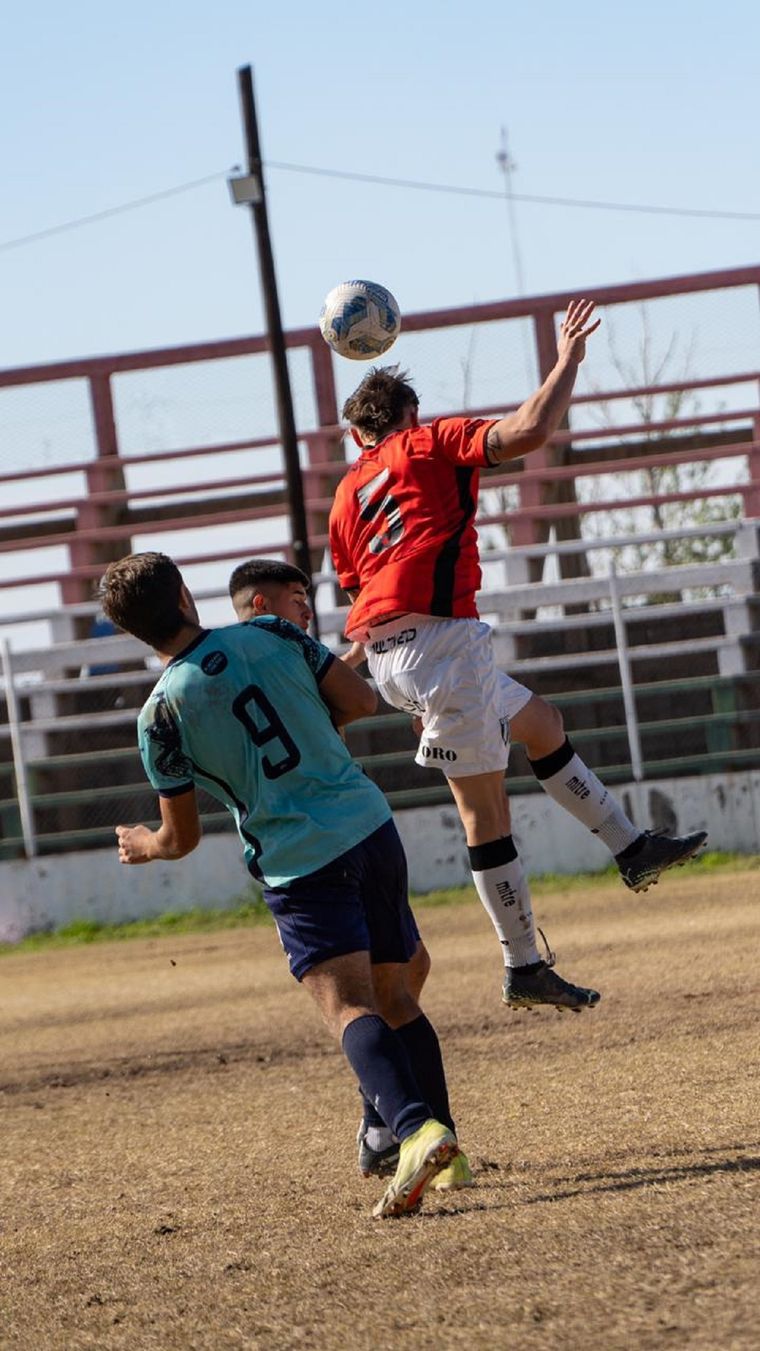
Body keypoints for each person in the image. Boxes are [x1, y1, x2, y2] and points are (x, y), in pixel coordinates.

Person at [328, 298, 707, 1013]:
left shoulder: (346, 495)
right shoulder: (430, 442)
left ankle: (631, 848)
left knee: (540, 722)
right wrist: (567, 359)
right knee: (486, 812)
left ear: (356, 434)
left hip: (389, 654)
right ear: (412, 414)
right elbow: (530, 429)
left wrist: (384, 685)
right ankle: (524, 962)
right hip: (442, 645)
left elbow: (367, 593)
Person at [100, 550, 465, 1218]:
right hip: (369, 825)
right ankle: (447, 1153)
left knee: (347, 1004)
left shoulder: (158, 716)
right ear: (184, 594)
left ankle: (416, 1130)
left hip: (299, 860)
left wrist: (143, 846)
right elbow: (358, 697)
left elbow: (179, 837)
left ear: (133, 631)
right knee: (397, 992)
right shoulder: (269, 634)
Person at [228, 555, 435, 1178]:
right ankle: (393, 1121)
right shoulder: (275, 650)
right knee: (368, 995)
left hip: (341, 830)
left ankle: (383, 1111)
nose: (306, 609)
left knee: (408, 971)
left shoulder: (260, 658)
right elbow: (351, 703)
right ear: (262, 607)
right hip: (321, 842)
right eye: (295, 598)